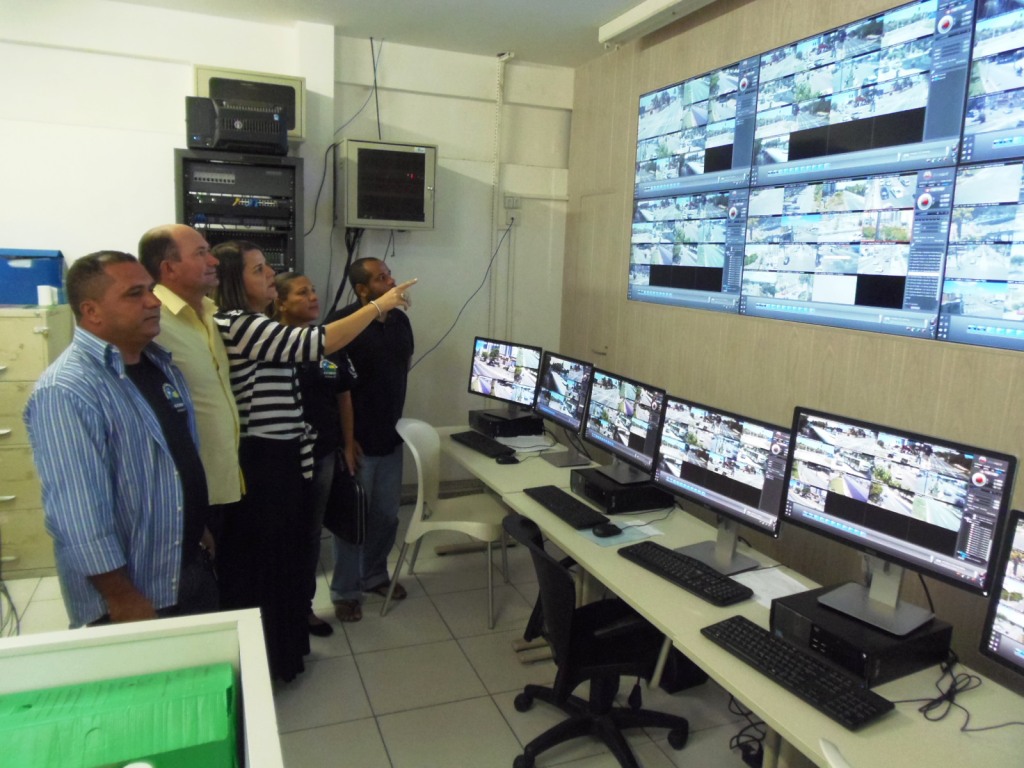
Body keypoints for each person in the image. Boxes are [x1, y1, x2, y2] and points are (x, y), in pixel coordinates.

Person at [211, 241, 414, 681]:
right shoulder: (238, 324)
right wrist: (380, 306)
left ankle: (289, 646)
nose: (270, 275)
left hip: (293, 454)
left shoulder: (255, 323)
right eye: (259, 270)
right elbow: (320, 341)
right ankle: (278, 651)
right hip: (264, 461)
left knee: (294, 552)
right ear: (232, 280)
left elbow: (338, 384)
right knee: (283, 553)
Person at [24, 251, 216, 629]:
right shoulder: (67, 390)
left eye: (151, 289)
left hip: (185, 565)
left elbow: (177, 459)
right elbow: (77, 515)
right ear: (92, 312)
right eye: (134, 294)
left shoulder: (160, 366)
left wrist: (199, 524)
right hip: (133, 595)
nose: (153, 301)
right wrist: (120, 595)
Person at [137, 224, 242, 540]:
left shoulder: (209, 312)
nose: (214, 261)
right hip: (184, 493)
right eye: (201, 253)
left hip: (222, 481)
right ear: (168, 268)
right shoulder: (153, 321)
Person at [329, 258, 415, 622]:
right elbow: (332, 389)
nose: (391, 281)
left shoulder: (400, 321)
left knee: (386, 515)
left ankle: (374, 574)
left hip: (389, 436)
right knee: (354, 520)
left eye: (389, 274)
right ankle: (345, 591)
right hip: (357, 442)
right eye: (381, 278)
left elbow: (400, 368)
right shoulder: (342, 325)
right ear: (363, 290)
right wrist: (345, 440)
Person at [274, 271, 357, 637]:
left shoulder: (327, 343)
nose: (312, 297)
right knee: (282, 535)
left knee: (310, 535)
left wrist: (348, 443)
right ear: (280, 303)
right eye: (301, 293)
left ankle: (304, 609)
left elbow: (343, 394)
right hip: (281, 460)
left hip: (323, 454)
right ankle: (279, 609)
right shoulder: (270, 343)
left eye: (313, 290)